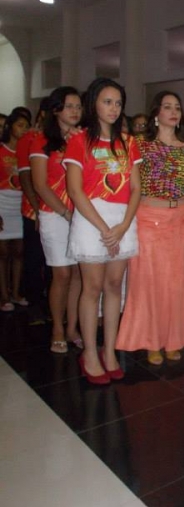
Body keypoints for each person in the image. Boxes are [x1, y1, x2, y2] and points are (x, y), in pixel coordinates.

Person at [116, 91, 184, 365]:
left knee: (176, 285)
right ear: (156, 113)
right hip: (149, 219)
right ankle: (151, 340)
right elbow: (129, 184)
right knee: (149, 284)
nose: (173, 111)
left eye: (177, 107)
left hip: (181, 219)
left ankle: (172, 339)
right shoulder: (139, 144)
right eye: (167, 107)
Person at [65, 77, 141, 385]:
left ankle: (109, 351)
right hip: (91, 218)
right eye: (107, 101)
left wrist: (121, 227)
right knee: (92, 288)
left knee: (114, 287)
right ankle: (90, 354)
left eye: (118, 103)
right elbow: (75, 189)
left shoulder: (129, 142)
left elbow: (136, 188)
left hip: (123, 219)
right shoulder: (79, 140)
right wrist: (104, 228)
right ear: (94, 103)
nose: (113, 108)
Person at [30, 88, 83, 353]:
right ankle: (58, 329)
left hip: (81, 214)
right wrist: (65, 212)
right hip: (55, 214)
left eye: (78, 106)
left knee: (77, 274)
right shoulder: (41, 140)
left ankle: (72, 326)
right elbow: (40, 185)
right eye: (69, 106)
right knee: (61, 273)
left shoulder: (83, 138)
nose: (75, 111)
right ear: (56, 110)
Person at [16, 98, 51, 320]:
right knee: (34, 257)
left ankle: (50, 303)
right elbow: (25, 176)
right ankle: (35, 304)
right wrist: (37, 209)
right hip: (34, 208)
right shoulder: (30, 138)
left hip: (58, 207)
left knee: (52, 262)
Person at [0, 109, 31, 311]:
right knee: (3, 253)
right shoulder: (1, 150)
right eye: (20, 125)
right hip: (2, 202)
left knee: (19, 251)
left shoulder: (26, 150)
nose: (23, 130)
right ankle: (4, 295)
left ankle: (16, 291)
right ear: (10, 127)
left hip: (20, 202)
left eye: (26, 126)